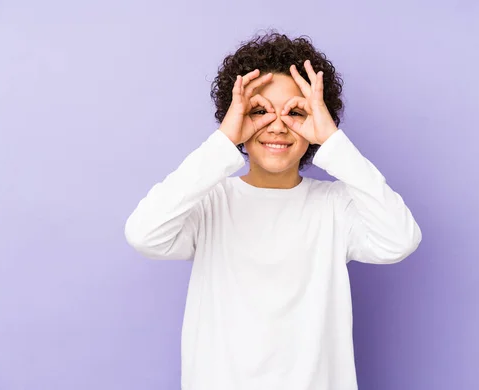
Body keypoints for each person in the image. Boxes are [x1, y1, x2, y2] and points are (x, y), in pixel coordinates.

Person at [124, 31, 422, 390]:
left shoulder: (337, 206)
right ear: (235, 116)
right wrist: (223, 141)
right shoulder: (209, 202)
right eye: (259, 111)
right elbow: (144, 234)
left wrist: (333, 141)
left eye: (296, 111)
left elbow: (400, 240)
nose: (278, 125)